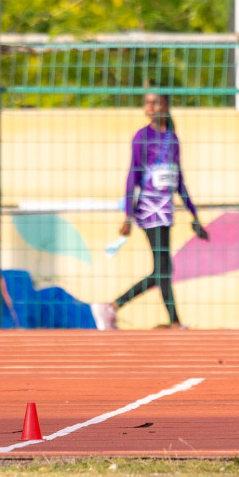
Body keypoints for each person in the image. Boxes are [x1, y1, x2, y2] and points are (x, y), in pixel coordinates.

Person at [94, 93, 208, 330]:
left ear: (166, 105)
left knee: (162, 269)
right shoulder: (141, 138)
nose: (151, 106)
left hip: (166, 211)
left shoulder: (172, 139)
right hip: (148, 209)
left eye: (156, 102)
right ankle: (118, 308)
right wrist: (127, 214)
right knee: (163, 269)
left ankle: (115, 308)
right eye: (147, 102)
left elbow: (179, 181)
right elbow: (132, 177)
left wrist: (193, 215)